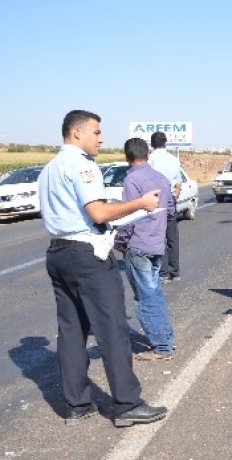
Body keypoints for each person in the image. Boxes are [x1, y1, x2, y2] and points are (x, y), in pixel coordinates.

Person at [37, 110, 167, 427]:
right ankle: (126, 405)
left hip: (58, 252)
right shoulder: (81, 166)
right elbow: (97, 212)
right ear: (77, 133)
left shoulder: (49, 169)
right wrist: (140, 204)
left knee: (71, 331)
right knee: (112, 329)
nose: (101, 138)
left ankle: (77, 405)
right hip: (87, 255)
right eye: (96, 132)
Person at [116, 138, 176, 361]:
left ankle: (162, 346)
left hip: (138, 246)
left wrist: (121, 242)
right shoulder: (161, 178)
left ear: (127, 156)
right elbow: (170, 212)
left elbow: (128, 217)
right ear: (148, 155)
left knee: (145, 297)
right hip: (156, 244)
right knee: (154, 292)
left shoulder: (132, 180)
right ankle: (166, 340)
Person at [147, 132, 182, 283]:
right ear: (165, 143)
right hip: (169, 199)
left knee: (159, 237)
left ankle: (164, 272)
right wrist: (174, 197)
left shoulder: (150, 159)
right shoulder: (173, 159)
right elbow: (178, 184)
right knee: (172, 237)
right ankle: (175, 272)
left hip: (154, 201)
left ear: (152, 144)